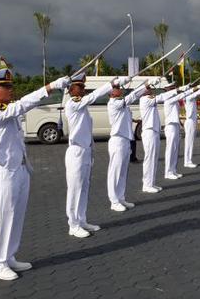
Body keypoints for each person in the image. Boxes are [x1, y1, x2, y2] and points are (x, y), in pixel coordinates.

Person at [0, 67, 69, 280]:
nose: (10, 90)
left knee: (16, 216)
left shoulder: (7, 109)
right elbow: (22, 106)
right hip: (4, 172)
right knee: (4, 217)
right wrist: (50, 87)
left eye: (11, 86)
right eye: (6, 87)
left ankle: (9, 256)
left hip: (20, 169)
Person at [65, 73, 124, 238]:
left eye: (84, 87)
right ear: (71, 89)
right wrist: (110, 84)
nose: (83, 90)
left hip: (85, 151)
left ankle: (82, 220)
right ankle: (73, 224)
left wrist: (92, 150)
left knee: (84, 188)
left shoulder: (82, 107)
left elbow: (86, 131)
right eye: (81, 87)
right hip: (75, 152)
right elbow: (92, 97)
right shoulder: (73, 104)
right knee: (75, 189)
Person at [106, 78, 156, 212]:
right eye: (117, 88)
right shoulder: (113, 103)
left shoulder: (122, 104)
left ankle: (121, 197)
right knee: (115, 172)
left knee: (123, 172)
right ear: (111, 93)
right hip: (117, 141)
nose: (120, 89)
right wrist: (145, 86)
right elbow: (132, 96)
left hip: (125, 140)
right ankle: (114, 200)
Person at [139, 81, 182, 193]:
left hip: (154, 131)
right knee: (149, 159)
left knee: (154, 158)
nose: (151, 89)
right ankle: (147, 184)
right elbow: (162, 96)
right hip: (149, 132)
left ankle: (151, 183)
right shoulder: (145, 100)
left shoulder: (150, 99)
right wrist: (179, 90)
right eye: (148, 88)